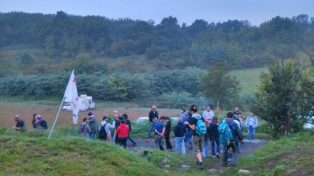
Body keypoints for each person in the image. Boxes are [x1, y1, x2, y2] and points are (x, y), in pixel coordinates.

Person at [185, 105, 205, 169]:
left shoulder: (192, 118)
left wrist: (188, 123)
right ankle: (198, 161)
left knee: (196, 150)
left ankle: (200, 163)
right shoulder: (201, 117)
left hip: (196, 135)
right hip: (202, 135)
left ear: (191, 111)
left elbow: (193, 128)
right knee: (200, 149)